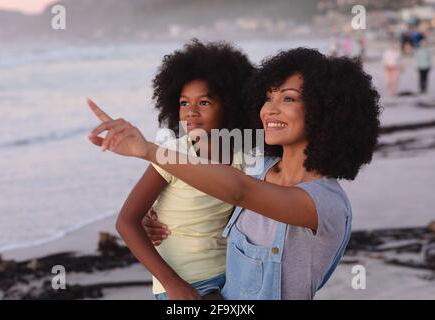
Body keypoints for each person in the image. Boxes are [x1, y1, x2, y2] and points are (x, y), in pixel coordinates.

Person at [87, 48, 381, 299]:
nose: (270, 109)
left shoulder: (325, 204)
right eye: (268, 97)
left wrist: (150, 150)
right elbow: (217, 183)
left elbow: (240, 190)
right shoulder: (259, 165)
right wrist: (161, 215)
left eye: (288, 99)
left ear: (327, 110)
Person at [90, 39, 254, 300]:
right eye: (183, 103)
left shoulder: (244, 155)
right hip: (185, 284)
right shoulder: (171, 154)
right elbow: (126, 222)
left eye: (204, 103)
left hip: (232, 276)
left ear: (230, 104)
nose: (190, 112)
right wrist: (172, 284)